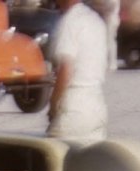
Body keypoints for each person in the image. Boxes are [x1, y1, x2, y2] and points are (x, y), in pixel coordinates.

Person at [46, 0, 110, 143]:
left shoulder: (69, 22)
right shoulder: (94, 20)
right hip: (96, 104)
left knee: (59, 159)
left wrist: (53, 105)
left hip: (74, 105)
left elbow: (66, 69)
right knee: (90, 162)